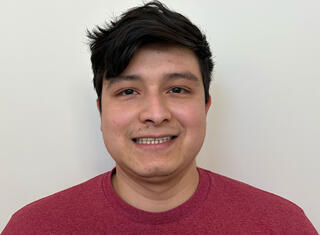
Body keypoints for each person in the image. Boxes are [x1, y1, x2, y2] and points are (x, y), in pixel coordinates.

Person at [2, 1, 317, 234]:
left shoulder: (283, 225)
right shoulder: (32, 228)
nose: (155, 114)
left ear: (206, 105)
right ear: (101, 110)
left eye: (177, 89)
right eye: (128, 92)